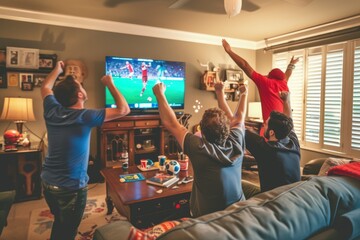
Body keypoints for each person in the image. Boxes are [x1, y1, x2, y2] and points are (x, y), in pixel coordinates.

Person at [40, 60, 130, 240]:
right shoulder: (85, 116)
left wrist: (57, 70)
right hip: (71, 188)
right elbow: (124, 109)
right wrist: (109, 83)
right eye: (80, 85)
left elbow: (45, 87)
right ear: (80, 94)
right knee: (66, 232)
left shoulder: (52, 109)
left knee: (61, 221)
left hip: (48, 183)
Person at [152, 81, 248, 218]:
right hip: (239, 212)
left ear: (201, 131)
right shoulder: (237, 141)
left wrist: (159, 94)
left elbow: (171, 124)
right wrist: (242, 93)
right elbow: (238, 118)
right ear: (228, 128)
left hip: (208, 218)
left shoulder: (198, 147)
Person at [222, 39, 299, 122]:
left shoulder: (266, 82)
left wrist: (229, 51)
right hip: (286, 126)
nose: (265, 76)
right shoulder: (284, 83)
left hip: (272, 128)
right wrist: (292, 64)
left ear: (270, 76)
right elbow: (287, 74)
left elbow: (245, 65)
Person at [245, 91, 301, 192]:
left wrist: (243, 94)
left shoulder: (266, 149)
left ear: (271, 133)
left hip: (271, 203)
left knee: (242, 185)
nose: (263, 125)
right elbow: (289, 120)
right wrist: (286, 101)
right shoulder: (294, 143)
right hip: (293, 198)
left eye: (266, 124)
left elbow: (238, 127)